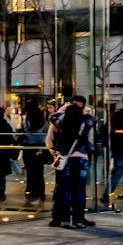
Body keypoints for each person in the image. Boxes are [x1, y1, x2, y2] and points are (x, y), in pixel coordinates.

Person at [48, 95, 95, 229]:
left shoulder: (61, 122)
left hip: (66, 159)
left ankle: (65, 220)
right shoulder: (87, 121)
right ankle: (79, 220)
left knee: (65, 191)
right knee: (80, 191)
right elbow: (92, 121)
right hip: (82, 158)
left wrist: (64, 109)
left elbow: (53, 117)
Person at [20, 100, 49, 206]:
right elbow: (46, 134)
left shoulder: (25, 120)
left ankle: (30, 195)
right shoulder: (43, 120)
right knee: (39, 173)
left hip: (28, 149)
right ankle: (41, 195)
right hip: (40, 149)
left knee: (30, 174)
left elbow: (23, 134)